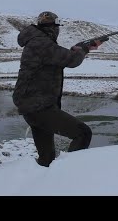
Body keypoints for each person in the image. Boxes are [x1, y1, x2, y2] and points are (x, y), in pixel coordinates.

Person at [12, 11, 102, 167]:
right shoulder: (41, 43)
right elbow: (71, 60)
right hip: (38, 107)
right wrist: (84, 49)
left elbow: (58, 56)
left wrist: (79, 48)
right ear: (53, 28)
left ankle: (44, 184)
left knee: (46, 159)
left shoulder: (38, 42)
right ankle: (67, 175)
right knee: (83, 134)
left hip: (34, 106)